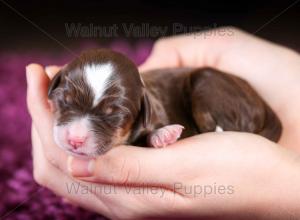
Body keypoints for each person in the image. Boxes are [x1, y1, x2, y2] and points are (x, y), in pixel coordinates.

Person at [26, 27, 300, 219]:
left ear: (142, 112)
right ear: (54, 88)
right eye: (67, 101)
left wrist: (283, 187)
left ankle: (228, 131)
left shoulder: (148, 106)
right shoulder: (131, 99)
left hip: (211, 92)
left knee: (206, 86)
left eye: (112, 114)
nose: (76, 133)